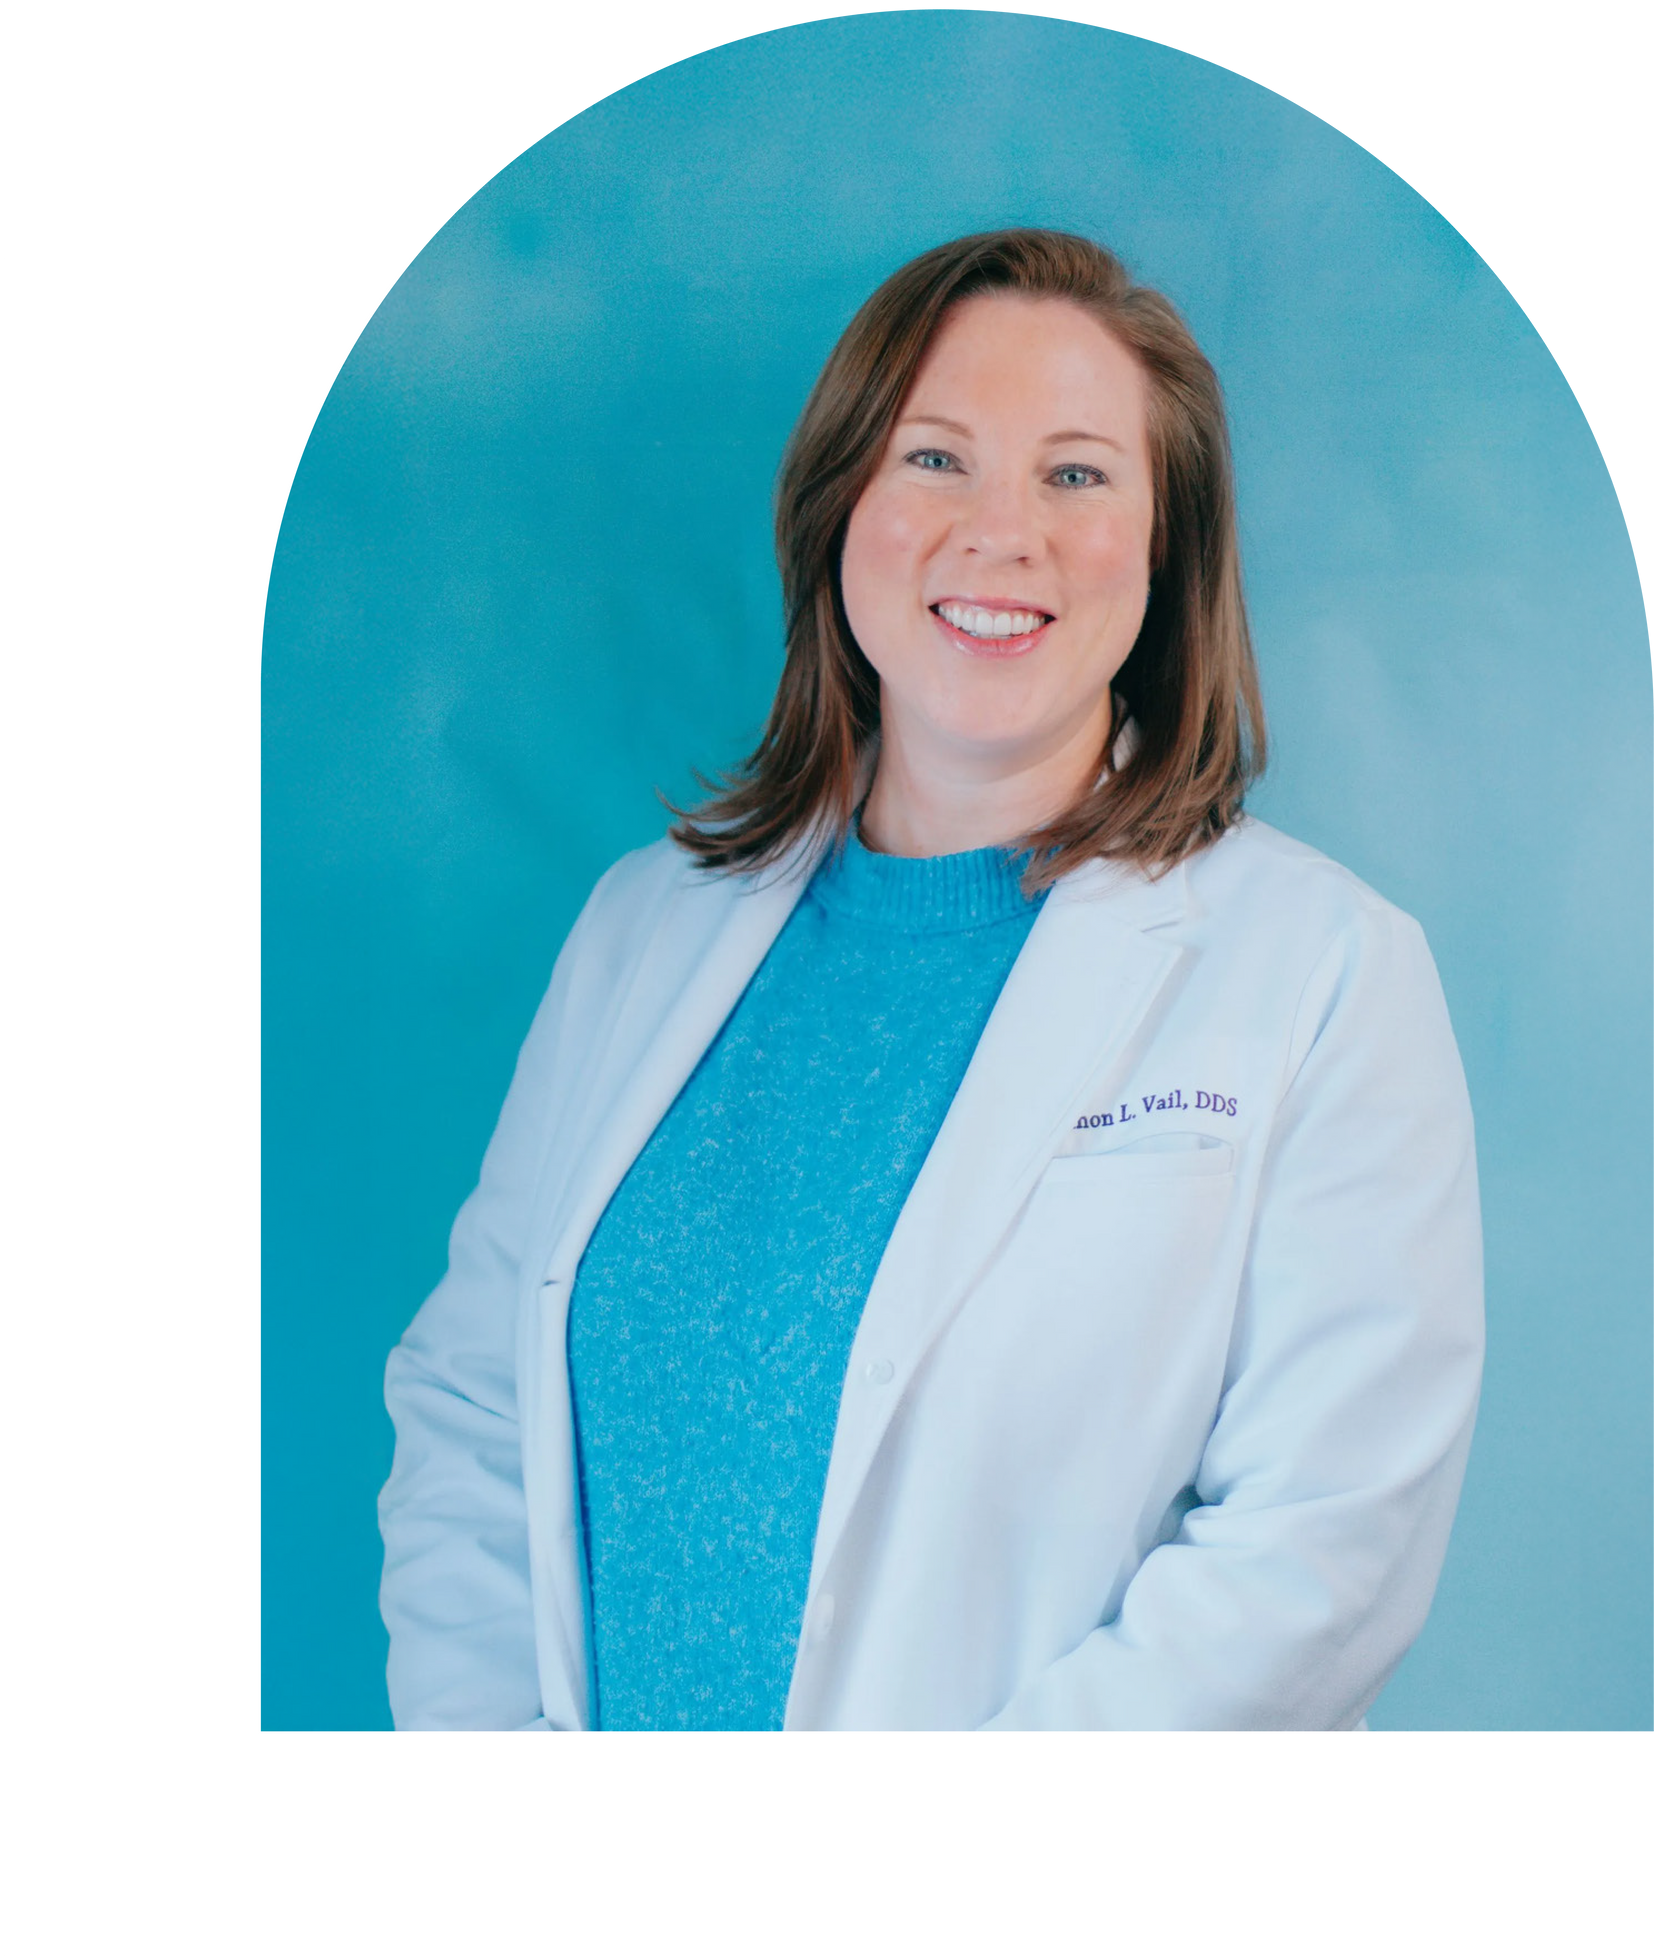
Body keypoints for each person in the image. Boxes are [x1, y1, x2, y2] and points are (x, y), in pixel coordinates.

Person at [377, 229, 1484, 1730]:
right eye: (936, 459)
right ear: (841, 507)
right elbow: (474, 1411)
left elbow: (1318, 1546)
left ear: (1165, 557)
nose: (1001, 532)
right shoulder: (641, 932)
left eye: (1077, 475)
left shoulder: (1319, 973)